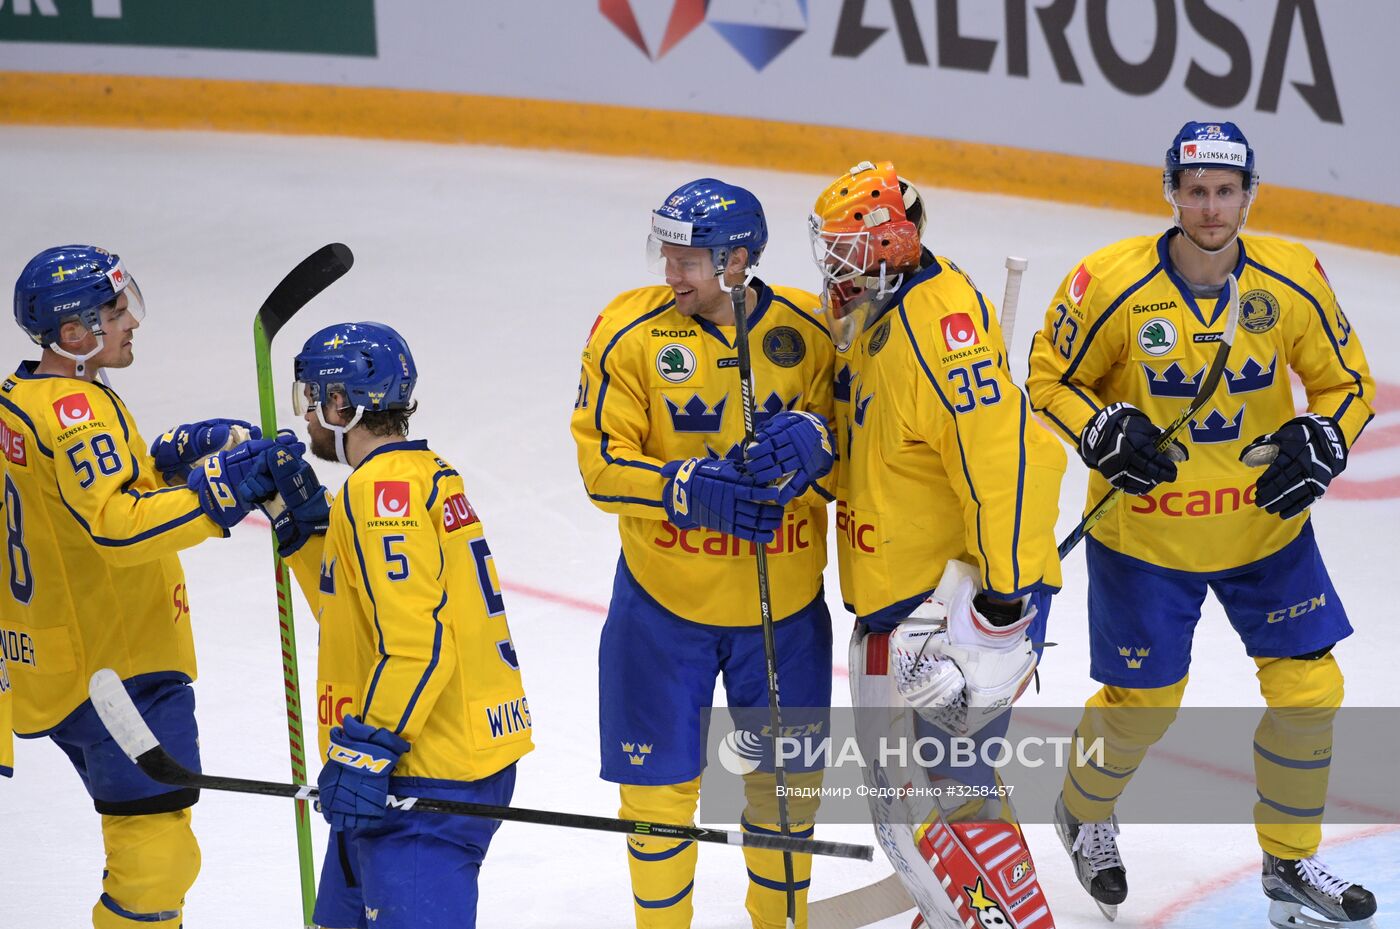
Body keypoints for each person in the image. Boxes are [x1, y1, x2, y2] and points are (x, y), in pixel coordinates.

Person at [1025, 121, 1378, 927]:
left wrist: (1326, 436)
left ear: (1249, 194)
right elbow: (1048, 377)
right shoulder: (1109, 282)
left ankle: (1290, 859)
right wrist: (1101, 429)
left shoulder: (1290, 278)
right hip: (1146, 538)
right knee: (1143, 701)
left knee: (1311, 688)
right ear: (1171, 193)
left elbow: (1346, 383)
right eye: (1197, 191)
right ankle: (1084, 810)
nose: (1212, 208)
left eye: (1226, 191)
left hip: (1264, 528)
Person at [571, 179, 837, 929]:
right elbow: (600, 466)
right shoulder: (628, 333)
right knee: (657, 802)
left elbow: (871, 459)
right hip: (663, 608)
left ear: (738, 259)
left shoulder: (812, 329)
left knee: (785, 794)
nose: (672, 273)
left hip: (782, 612)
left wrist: (823, 444)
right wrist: (685, 489)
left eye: (690, 258)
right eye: (670, 254)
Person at [810, 160, 1067, 929]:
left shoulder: (936, 327)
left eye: (848, 249)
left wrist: (998, 609)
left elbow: (1012, 464)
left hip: (954, 611)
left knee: (927, 805)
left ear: (892, 243)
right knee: (939, 796)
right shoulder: (880, 306)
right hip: (912, 602)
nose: (833, 265)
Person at [0, 244, 278, 928]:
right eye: (115, 310)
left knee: (146, 842)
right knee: (157, 859)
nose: (131, 321)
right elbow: (116, 526)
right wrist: (221, 491)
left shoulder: (23, 397)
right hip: (117, 668)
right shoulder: (75, 411)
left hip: (52, 659)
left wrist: (162, 463)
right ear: (72, 333)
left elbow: (73, 499)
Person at [234, 321, 532, 929]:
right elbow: (358, 618)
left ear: (342, 404)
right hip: (422, 760)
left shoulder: (378, 495)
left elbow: (415, 646)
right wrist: (301, 531)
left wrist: (367, 752)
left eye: (311, 399)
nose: (308, 417)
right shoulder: (416, 475)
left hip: (420, 775)